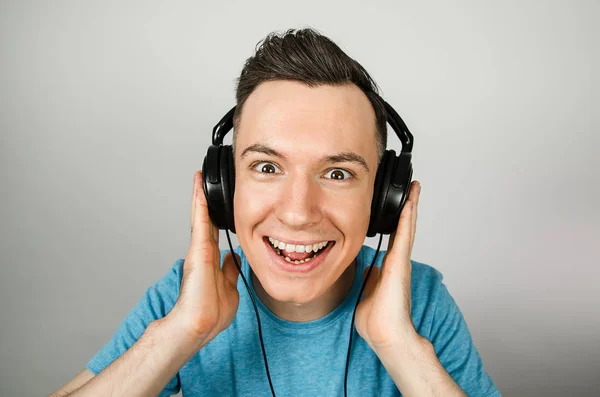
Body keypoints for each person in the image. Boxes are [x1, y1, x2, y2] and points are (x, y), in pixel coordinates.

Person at [49, 28, 501, 397]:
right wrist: (183, 331)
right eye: (267, 167)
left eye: (338, 173)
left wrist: (398, 345)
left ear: (385, 199)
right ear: (222, 187)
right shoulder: (188, 293)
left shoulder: (417, 299)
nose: (298, 212)